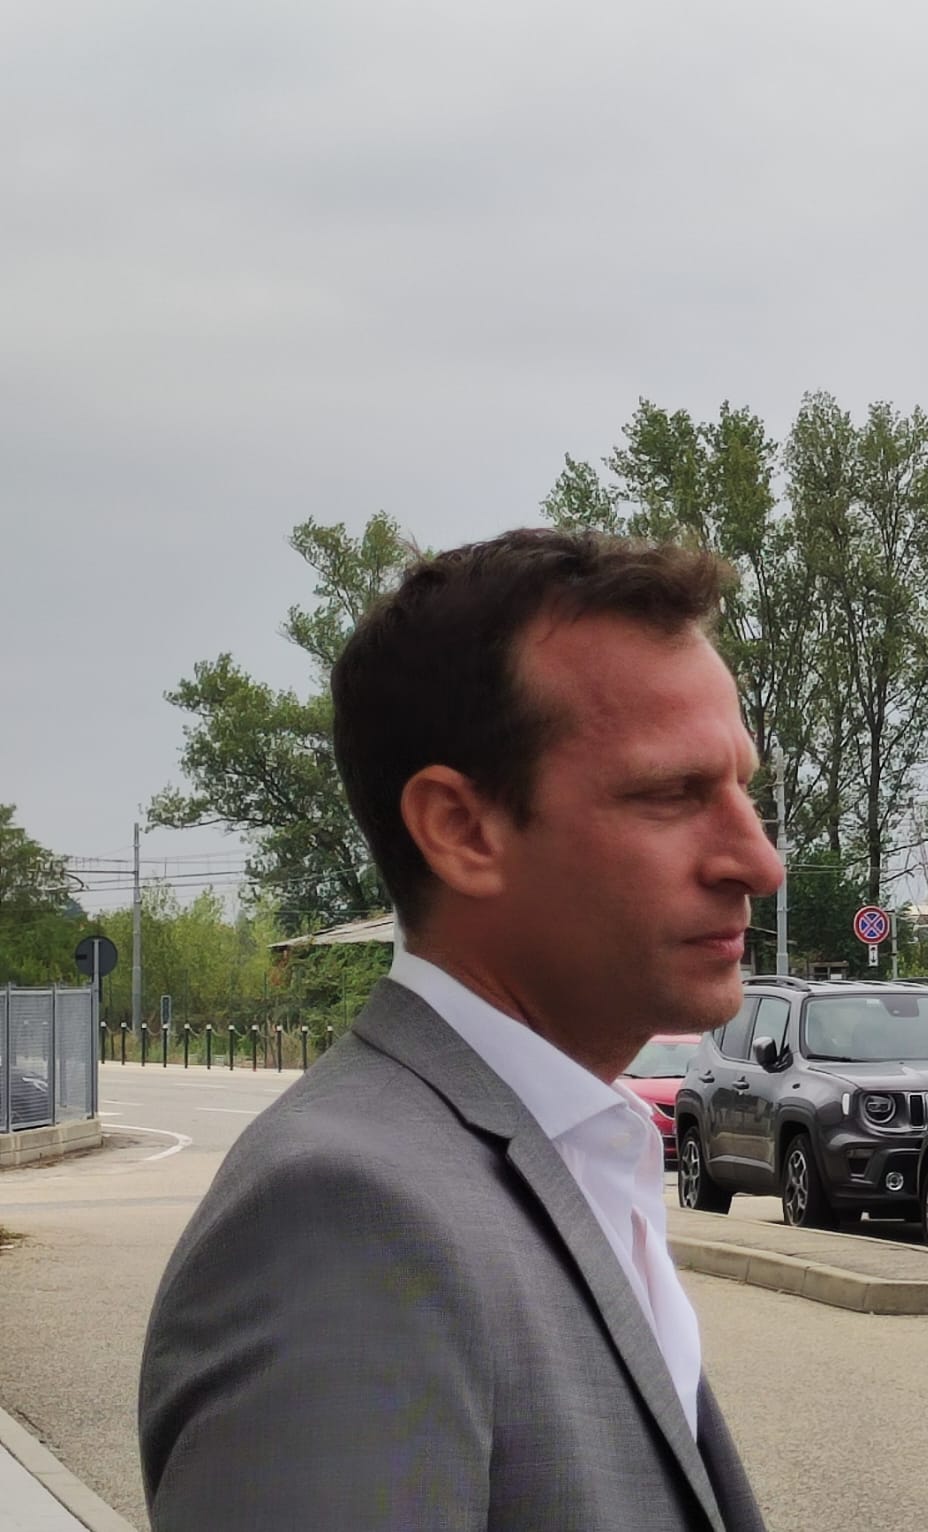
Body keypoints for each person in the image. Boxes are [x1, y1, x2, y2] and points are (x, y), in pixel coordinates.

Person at [140, 529, 784, 1531]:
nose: (758, 860)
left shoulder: (565, 1151)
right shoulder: (346, 1219)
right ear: (460, 828)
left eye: (744, 788)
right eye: (671, 793)